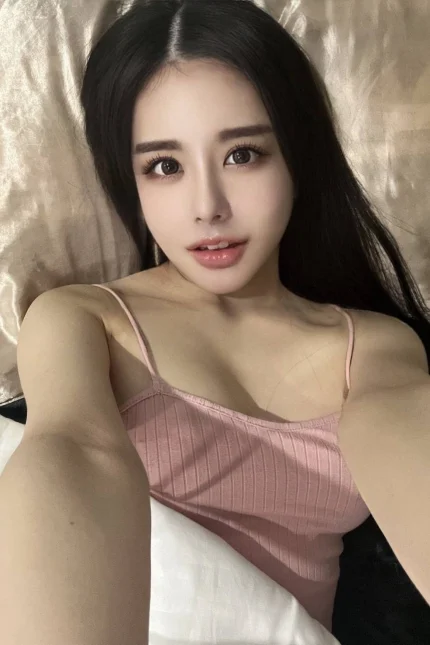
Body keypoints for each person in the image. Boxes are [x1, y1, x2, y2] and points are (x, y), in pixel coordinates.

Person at [1, 1, 429, 643]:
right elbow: (73, 452)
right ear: (132, 182)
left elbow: (407, 438)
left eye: (243, 154)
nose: (208, 207)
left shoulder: (368, 345)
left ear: (296, 159)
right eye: (165, 166)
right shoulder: (85, 320)